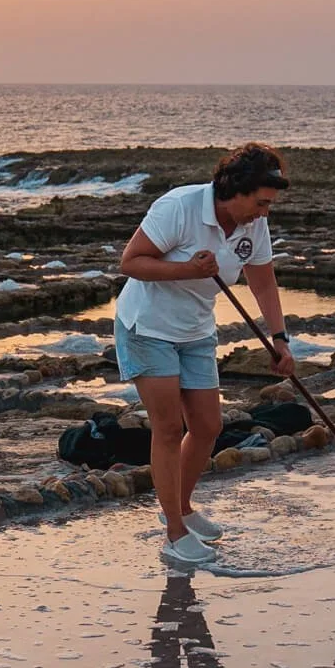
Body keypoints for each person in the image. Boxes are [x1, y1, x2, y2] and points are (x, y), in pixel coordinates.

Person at [114, 142, 294, 566]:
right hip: (148, 327)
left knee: (208, 426)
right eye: (260, 202)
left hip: (196, 330)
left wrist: (280, 338)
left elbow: (264, 283)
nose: (264, 212)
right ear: (235, 189)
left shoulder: (254, 225)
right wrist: (188, 270)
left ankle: (184, 507)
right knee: (168, 428)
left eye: (270, 204)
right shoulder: (178, 206)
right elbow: (131, 262)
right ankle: (174, 534)